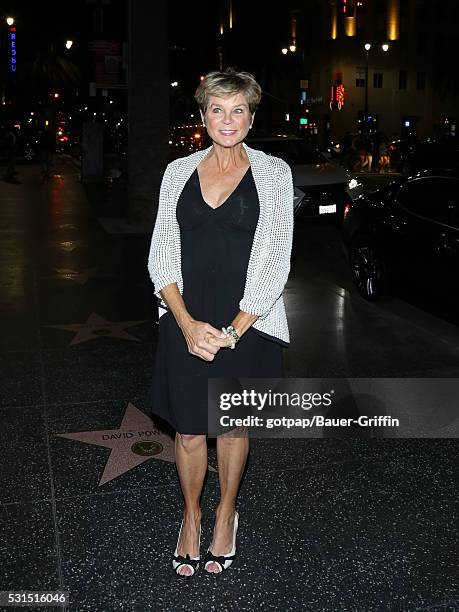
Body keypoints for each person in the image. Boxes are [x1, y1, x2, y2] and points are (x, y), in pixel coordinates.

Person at [147, 68, 294, 577]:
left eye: (238, 110)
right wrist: (187, 324)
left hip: (246, 324)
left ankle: (226, 513)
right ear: (203, 115)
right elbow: (160, 255)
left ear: (252, 118)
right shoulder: (176, 172)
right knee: (189, 432)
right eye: (217, 109)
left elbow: (276, 261)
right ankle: (190, 518)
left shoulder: (274, 173)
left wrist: (232, 330)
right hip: (184, 318)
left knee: (232, 430)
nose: (226, 119)